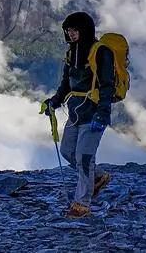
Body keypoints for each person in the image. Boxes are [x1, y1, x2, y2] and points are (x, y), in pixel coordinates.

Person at [42, 11, 114, 218]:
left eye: (75, 30)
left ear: (85, 30)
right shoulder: (72, 53)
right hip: (76, 111)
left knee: (84, 158)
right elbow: (66, 83)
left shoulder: (101, 52)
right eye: (69, 30)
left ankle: (81, 204)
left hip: (93, 113)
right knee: (67, 151)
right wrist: (54, 102)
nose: (71, 34)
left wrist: (103, 113)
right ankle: (98, 177)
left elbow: (107, 86)